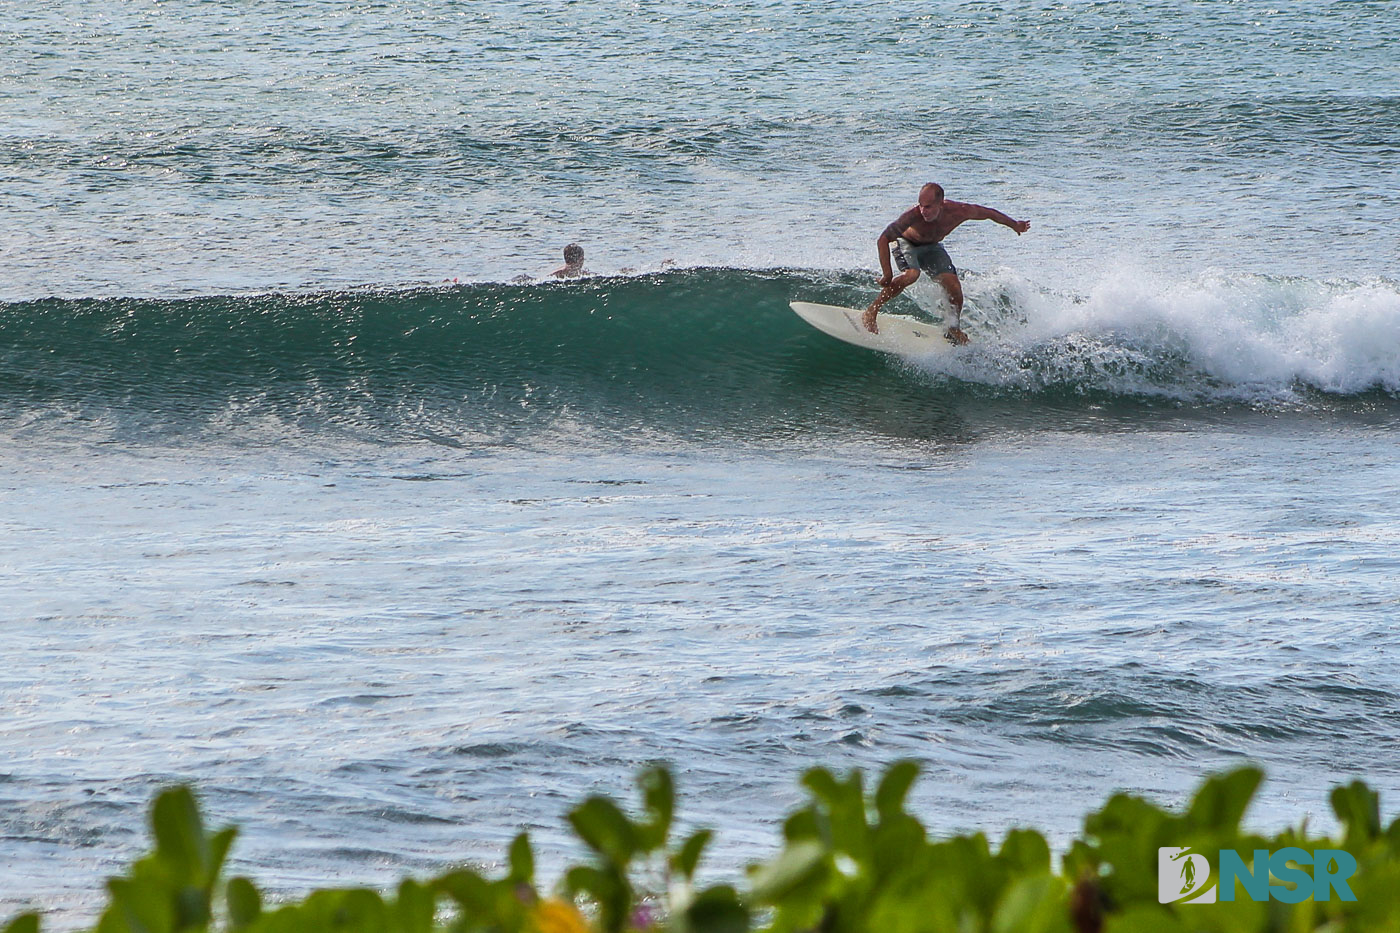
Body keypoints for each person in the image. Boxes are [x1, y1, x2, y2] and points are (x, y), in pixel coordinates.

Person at [863, 183, 1030, 344]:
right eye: (921, 205)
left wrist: (1014, 224)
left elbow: (989, 213)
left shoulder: (959, 211)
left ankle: (953, 328)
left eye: (928, 207)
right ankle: (872, 311)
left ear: (941, 204)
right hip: (907, 243)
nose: (923, 211)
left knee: (954, 286)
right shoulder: (912, 216)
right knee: (912, 274)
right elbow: (883, 239)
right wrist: (887, 274)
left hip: (932, 247)